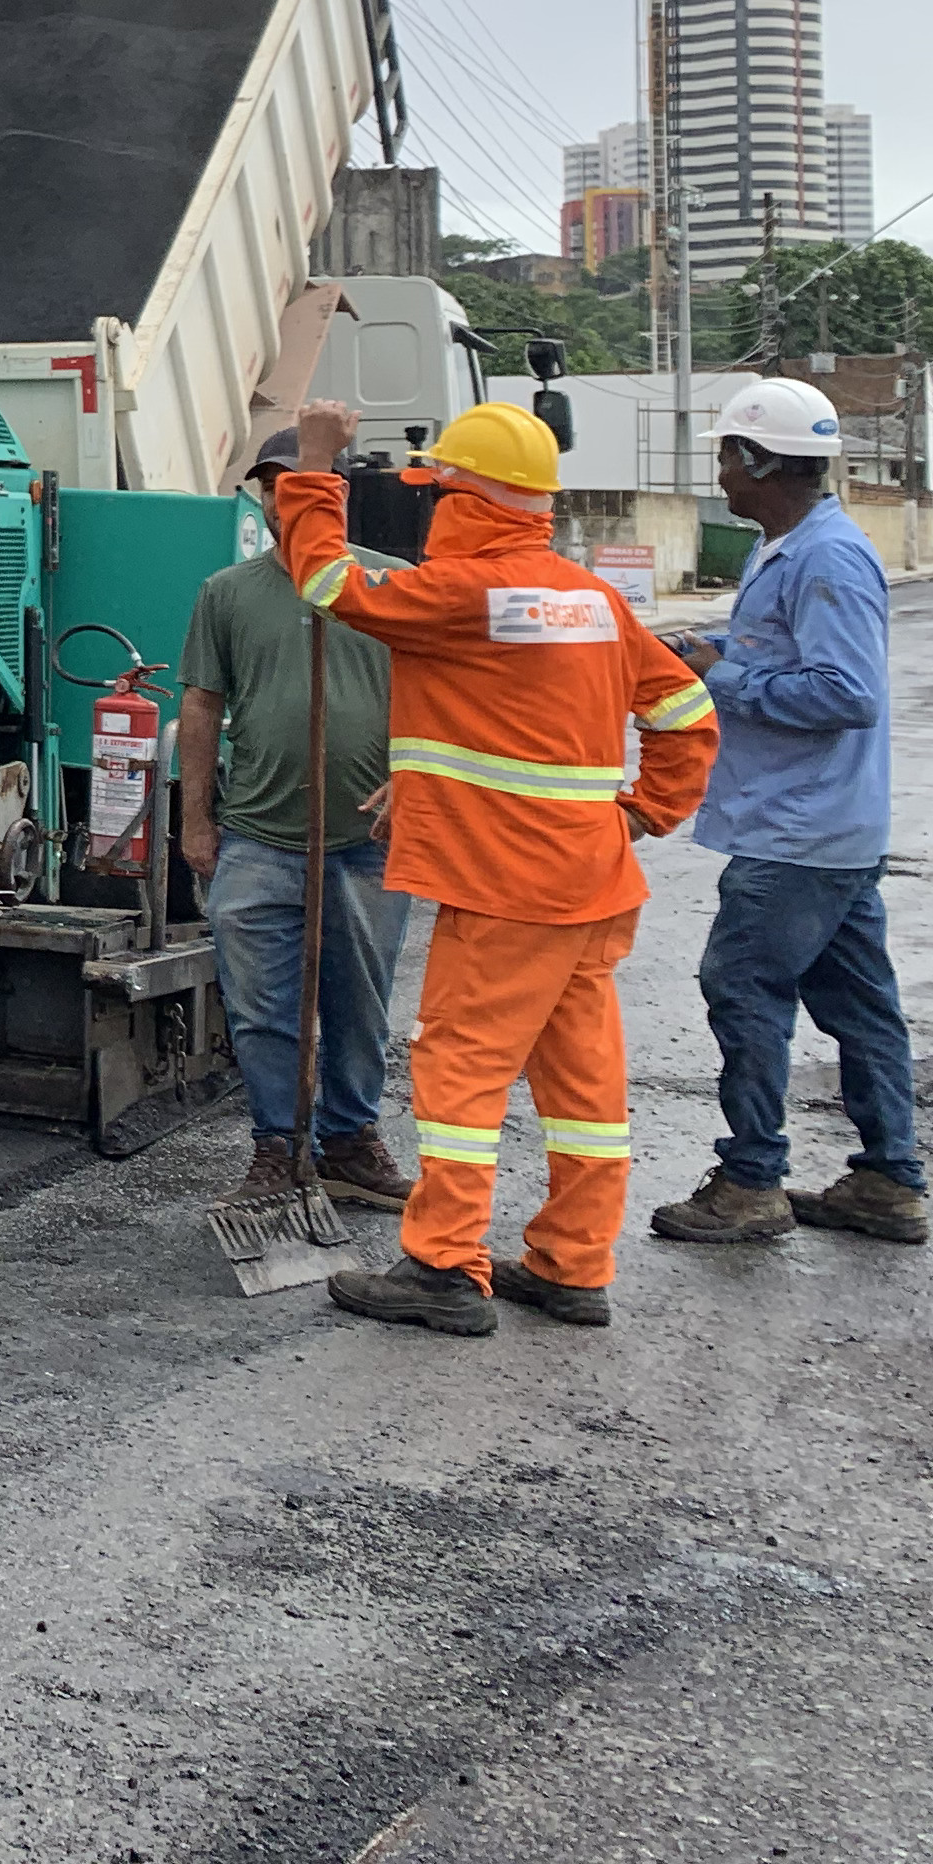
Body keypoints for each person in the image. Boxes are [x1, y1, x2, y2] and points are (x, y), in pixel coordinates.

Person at [272, 396, 717, 1336]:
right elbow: (683, 710)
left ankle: (441, 1266)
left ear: (469, 498)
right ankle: (572, 1263)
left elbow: (327, 586)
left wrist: (315, 469)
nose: (430, 511)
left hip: (505, 889)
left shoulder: (463, 594)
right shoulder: (591, 601)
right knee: (584, 1084)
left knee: (462, 1075)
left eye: (439, 493)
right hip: (589, 885)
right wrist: (642, 813)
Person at [649, 377, 926, 1249]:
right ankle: (888, 1180)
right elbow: (786, 650)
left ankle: (751, 1181)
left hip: (800, 833)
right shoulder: (790, 548)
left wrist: (717, 677)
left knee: (742, 986)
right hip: (827, 827)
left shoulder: (825, 557)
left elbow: (846, 692)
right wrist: (716, 647)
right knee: (859, 1002)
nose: (721, 474)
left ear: (759, 461)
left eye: (727, 456)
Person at [178, 428, 414, 1210]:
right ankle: (276, 1148)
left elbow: (437, 699)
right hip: (258, 838)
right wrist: (197, 821)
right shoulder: (227, 592)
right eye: (272, 484)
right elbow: (203, 707)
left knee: (359, 1004)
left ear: (335, 490)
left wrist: (418, 783)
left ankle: (348, 1142)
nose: (285, 498)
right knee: (262, 1010)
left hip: (367, 842)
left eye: (299, 482)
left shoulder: (392, 584)